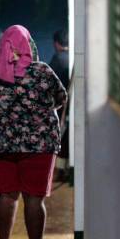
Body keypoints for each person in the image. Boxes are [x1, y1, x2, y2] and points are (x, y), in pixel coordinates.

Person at [0, 25, 67, 239]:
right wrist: (42, 112)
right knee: (34, 198)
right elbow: (62, 98)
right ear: (28, 44)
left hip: (4, 144)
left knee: (7, 195)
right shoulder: (41, 71)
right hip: (39, 144)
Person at [48, 29, 70, 181]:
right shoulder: (72, 58)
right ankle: (63, 170)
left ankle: (57, 172)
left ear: (56, 44)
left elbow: (48, 83)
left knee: (59, 140)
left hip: (59, 107)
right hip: (70, 106)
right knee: (66, 138)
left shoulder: (58, 59)